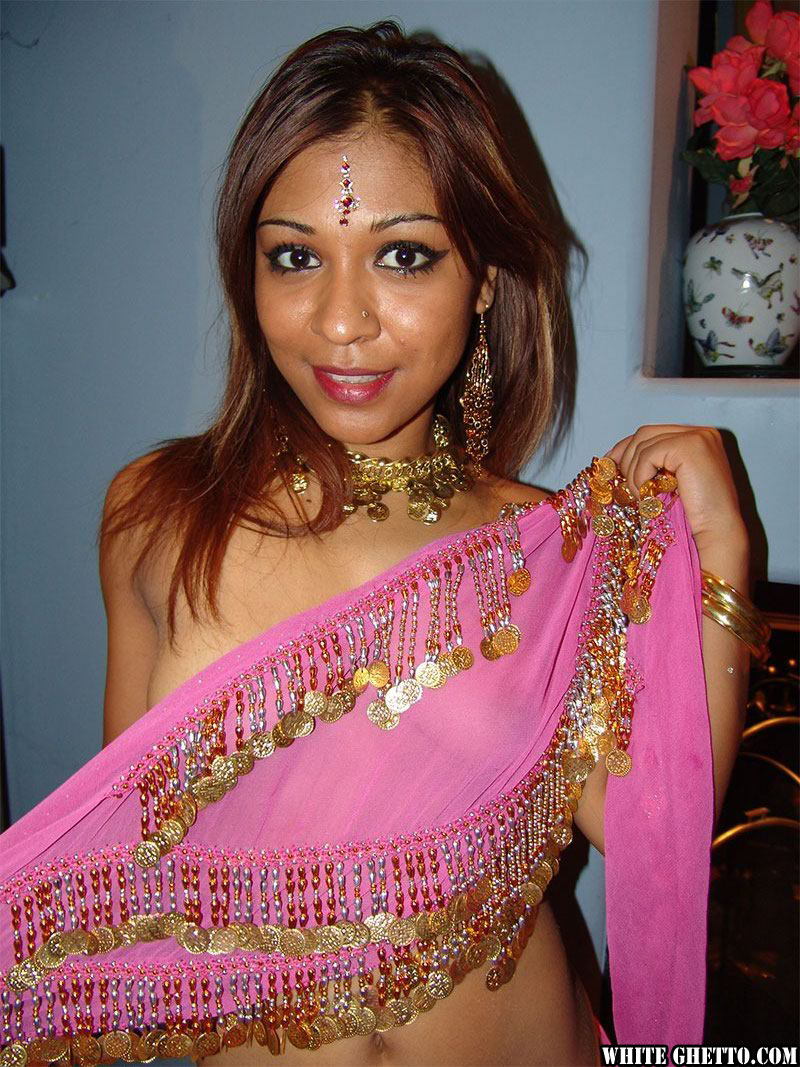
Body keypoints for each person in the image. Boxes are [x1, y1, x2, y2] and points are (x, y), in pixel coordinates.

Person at [0, 22, 767, 1067]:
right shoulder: (157, 515)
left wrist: (720, 557)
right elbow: (126, 874)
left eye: (403, 255)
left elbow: (652, 826)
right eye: (295, 256)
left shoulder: (543, 551)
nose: (340, 321)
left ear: (483, 277)